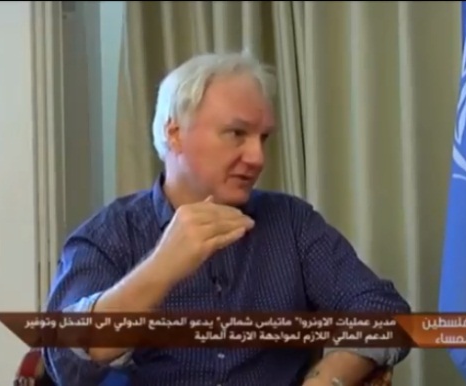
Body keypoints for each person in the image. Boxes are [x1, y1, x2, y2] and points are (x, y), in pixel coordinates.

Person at [43, 51, 412, 386]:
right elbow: (65, 361)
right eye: (236, 133)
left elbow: (383, 311)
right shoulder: (108, 237)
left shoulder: (292, 223)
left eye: (263, 137)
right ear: (175, 133)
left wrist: (329, 377)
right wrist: (162, 267)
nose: (257, 158)